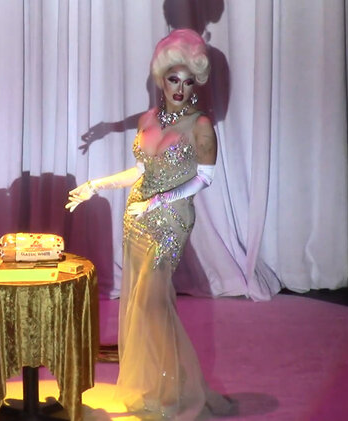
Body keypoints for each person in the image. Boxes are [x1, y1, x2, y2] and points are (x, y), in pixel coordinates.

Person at [66, 29, 231, 419]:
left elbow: (204, 179)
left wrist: (158, 200)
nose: (181, 87)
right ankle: (156, 387)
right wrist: (96, 185)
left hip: (170, 222)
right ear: (161, 77)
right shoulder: (148, 119)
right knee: (140, 307)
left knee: (155, 305)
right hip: (136, 218)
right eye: (174, 78)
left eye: (189, 81)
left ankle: (180, 395)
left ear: (197, 84)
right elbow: (141, 172)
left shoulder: (201, 125)